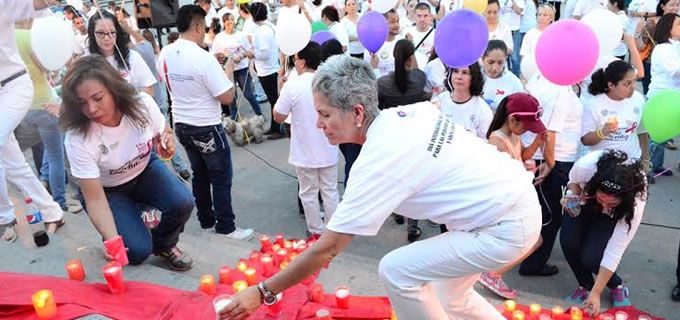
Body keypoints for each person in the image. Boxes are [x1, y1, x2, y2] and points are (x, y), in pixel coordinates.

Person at [219, 54, 541, 320]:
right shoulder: (412, 111)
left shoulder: (377, 160)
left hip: (505, 225)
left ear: (357, 112)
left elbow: (327, 248)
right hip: (513, 205)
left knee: (396, 271)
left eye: (325, 114)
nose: (318, 124)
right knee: (450, 295)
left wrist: (263, 292)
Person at [62, 55, 195, 270]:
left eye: (97, 98)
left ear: (113, 88)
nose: (91, 109)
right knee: (136, 251)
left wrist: (166, 143)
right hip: (108, 191)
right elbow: (94, 199)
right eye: (82, 103)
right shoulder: (78, 138)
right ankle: (131, 220)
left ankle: (164, 245)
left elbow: (163, 131)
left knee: (183, 202)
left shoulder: (142, 105)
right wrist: (112, 240)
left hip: (144, 170)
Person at [157, 4, 254, 240]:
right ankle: (226, 226)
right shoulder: (202, 58)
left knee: (200, 174)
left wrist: (214, 66)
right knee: (220, 176)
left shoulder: (166, 53)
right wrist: (228, 68)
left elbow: (174, 80)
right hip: (206, 126)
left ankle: (206, 221)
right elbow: (227, 96)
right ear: (199, 26)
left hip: (181, 123)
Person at [0, 0, 65, 243]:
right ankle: (52, 211)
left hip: (15, 85)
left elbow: (37, 3)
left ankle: (4, 216)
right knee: (14, 164)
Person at [479, 93, 547, 299]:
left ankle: (491, 272)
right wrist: (529, 172)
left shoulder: (513, 135)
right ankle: (492, 274)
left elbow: (523, 155)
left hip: (516, 197)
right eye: (526, 125)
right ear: (512, 119)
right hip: (507, 201)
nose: (527, 129)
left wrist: (537, 142)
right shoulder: (496, 141)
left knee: (534, 239)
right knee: (534, 239)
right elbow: (505, 177)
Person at [560, 149, 646, 311]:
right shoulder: (586, 167)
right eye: (602, 199)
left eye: (611, 203)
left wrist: (597, 292)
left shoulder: (635, 201)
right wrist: (574, 193)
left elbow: (616, 248)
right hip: (586, 198)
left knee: (592, 257)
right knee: (568, 242)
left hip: (615, 213)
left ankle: (617, 286)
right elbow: (572, 179)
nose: (605, 206)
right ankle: (585, 285)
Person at [518, 73, 583, 280]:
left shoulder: (540, 78)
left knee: (538, 212)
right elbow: (549, 132)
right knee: (549, 216)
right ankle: (533, 263)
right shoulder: (559, 91)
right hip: (555, 159)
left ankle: (525, 256)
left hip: (547, 157)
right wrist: (551, 162)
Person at [273, 42, 339, 238]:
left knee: (309, 193)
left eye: (296, 58)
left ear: (302, 61)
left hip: (304, 149)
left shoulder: (292, 85)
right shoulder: (329, 83)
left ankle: (316, 231)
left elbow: (278, 116)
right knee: (330, 190)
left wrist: (282, 89)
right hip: (328, 146)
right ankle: (334, 230)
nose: (295, 62)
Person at [376, 39, 430, 242]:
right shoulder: (418, 78)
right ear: (410, 58)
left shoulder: (382, 83)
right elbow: (416, 71)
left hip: (393, 138)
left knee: (394, 180)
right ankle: (412, 226)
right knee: (414, 183)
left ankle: (397, 211)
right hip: (416, 138)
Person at [15, 23, 68, 214]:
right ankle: (59, 203)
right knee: (56, 156)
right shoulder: (27, 36)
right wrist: (52, 70)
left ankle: (40, 186)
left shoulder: (6, 39)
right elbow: (47, 67)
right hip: (44, 104)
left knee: (26, 154)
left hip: (20, 107)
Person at [581, 60, 650, 168]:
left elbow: (642, 131)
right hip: (602, 166)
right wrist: (602, 132)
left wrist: (645, 160)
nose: (632, 87)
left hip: (631, 164)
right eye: (627, 83)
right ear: (611, 85)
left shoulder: (638, 99)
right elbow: (585, 140)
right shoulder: (594, 104)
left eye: (634, 81)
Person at [88, 11, 156, 96]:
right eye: (100, 33)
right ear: (92, 33)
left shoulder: (132, 56)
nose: (106, 38)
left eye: (111, 32)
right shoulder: (87, 62)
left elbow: (149, 89)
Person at [212, 12, 263, 121]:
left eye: (232, 20)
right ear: (224, 23)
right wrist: (222, 57)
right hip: (228, 70)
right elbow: (214, 55)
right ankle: (234, 121)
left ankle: (259, 115)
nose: (230, 23)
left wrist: (242, 55)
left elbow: (249, 51)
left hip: (242, 68)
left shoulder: (241, 35)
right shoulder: (219, 37)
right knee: (232, 97)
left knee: (248, 94)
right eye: (228, 21)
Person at [647, 12, 680, 176]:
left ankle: (658, 165)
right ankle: (651, 167)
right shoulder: (663, 49)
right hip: (661, 97)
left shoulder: (677, 47)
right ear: (669, 29)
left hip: (675, 97)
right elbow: (675, 71)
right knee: (658, 135)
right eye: (679, 25)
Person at [244, 2, 283, 139]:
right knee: (274, 100)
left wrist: (252, 54)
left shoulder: (261, 31)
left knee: (274, 101)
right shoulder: (269, 26)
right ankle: (275, 127)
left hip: (267, 70)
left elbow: (264, 54)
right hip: (271, 68)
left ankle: (279, 129)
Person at [437, 62, 493, 140]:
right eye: (455, 71)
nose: (459, 77)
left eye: (465, 73)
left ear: (474, 77)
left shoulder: (483, 110)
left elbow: (485, 143)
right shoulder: (439, 100)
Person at [481, 40, 525, 112]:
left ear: (505, 59)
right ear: (482, 58)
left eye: (500, 63)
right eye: (490, 62)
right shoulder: (474, 77)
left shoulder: (514, 82)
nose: (495, 68)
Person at [520, 3, 555, 81]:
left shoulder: (555, 34)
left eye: (545, 15)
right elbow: (524, 56)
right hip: (533, 73)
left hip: (551, 73)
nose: (541, 17)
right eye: (539, 15)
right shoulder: (530, 34)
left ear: (551, 18)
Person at [366, 9, 403, 77]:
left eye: (397, 21)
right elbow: (367, 75)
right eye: (392, 22)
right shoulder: (371, 46)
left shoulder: (402, 41)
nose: (397, 25)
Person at [499, 0, 526, 76]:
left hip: (514, 31)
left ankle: (516, 81)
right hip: (502, 31)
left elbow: (519, 11)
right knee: (502, 58)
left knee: (515, 58)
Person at [404, 3, 435, 70]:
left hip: (431, 72)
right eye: (419, 16)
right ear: (415, 16)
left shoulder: (437, 34)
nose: (422, 19)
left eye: (425, 16)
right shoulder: (406, 32)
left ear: (430, 17)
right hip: (413, 73)